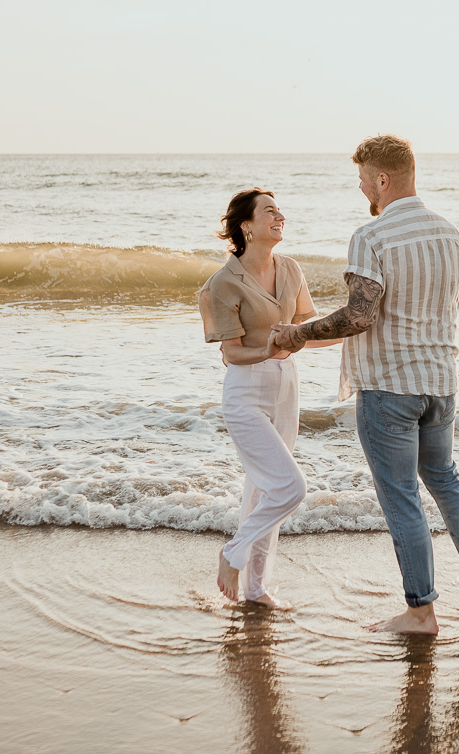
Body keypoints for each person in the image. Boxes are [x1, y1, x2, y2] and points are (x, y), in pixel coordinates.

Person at [272, 135, 459, 634]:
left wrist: (294, 334)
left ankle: (421, 611)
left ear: (383, 179)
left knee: (400, 495)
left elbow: (359, 316)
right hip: (441, 381)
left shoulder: (371, 237)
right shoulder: (450, 234)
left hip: (390, 386)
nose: (362, 192)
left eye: (363, 181)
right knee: (445, 479)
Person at [199, 188, 337, 607]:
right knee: (289, 487)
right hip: (246, 391)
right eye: (269, 212)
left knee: (262, 491)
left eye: (280, 211)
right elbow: (230, 353)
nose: (280, 217)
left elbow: (306, 332)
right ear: (246, 226)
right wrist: (268, 349)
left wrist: (357, 331)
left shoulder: (291, 269)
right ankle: (232, 553)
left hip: (287, 386)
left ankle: (256, 590)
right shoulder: (221, 284)